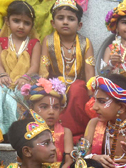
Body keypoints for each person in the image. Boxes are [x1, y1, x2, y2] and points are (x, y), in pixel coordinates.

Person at [40, 0, 94, 141]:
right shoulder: (48, 41)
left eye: (70, 19)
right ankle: (56, 131)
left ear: (79, 25)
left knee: (77, 88)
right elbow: (43, 70)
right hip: (54, 84)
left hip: (79, 86)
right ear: (53, 23)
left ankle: (77, 132)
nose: (65, 22)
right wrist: (43, 87)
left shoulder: (85, 43)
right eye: (60, 18)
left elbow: (90, 73)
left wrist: (92, 96)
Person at [0, 1, 40, 135]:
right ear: (7, 21)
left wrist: (24, 78)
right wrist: (3, 75)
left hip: (25, 81)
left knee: (20, 92)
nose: (21, 26)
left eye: (26, 23)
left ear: (32, 25)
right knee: (0, 90)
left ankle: (16, 132)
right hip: (6, 79)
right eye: (16, 21)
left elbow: (35, 66)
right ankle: (0, 131)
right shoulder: (1, 42)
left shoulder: (34, 43)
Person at [23, 76, 74, 168]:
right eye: (44, 107)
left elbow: (69, 160)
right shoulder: (26, 131)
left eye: (56, 107)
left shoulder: (66, 132)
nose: (51, 112)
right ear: (31, 108)